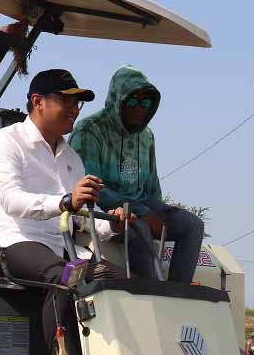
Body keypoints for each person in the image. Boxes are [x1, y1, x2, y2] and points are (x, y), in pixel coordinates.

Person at [0, 68, 147, 355]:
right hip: (9, 241)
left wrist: (112, 223)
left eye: (77, 103)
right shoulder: (4, 143)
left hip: (59, 245)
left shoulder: (70, 156)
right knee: (66, 277)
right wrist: (67, 201)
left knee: (116, 283)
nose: (74, 109)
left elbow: (82, 219)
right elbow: (12, 201)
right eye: (66, 100)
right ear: (38, 102)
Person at [70, 65, 205, 283]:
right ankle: (150, 291)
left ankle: (179, 291)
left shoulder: (147, 136)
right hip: (105, 208)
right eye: (132, 102)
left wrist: (160, 214)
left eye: (146, 103)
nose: (139, 109)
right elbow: (91, 187)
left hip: (141, 203)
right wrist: (142, 213)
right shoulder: (89, 131)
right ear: (117, 101)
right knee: (139, 227)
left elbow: (151, 186)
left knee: (192, 225)